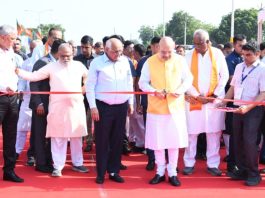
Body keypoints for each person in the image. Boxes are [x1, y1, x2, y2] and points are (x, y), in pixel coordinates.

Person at [16, 43, 89, 177]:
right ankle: (58, 166)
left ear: (72, 54)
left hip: (76, 107)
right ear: (58, 54)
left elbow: (88, 77)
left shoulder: (79, 65)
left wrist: (84, 87)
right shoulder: (51, 66)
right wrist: (18, 71)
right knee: (58, 137)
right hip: (57, 108)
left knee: (76, 137)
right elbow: (34, 77)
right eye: (63, 56)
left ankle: (78, 164)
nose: (66, 58)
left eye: (68, 56)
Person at [139, 36, 192, 186]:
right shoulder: (149, 61)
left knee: (173, 142)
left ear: (174, 48)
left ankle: (173, 172)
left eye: (169, 51)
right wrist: (154, 91)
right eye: (163, 52)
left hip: (175, 107)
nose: (166, 55)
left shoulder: (180, 60)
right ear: (156, 48)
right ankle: (160, 172)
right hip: (156, 108)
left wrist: (180, 90)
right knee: (158, 143)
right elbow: (142, 83)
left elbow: (188, 79)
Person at [86, 38, 133, 184]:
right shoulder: (96, 63)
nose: (118, 54)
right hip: (103, 107)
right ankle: (100, 173)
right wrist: (93, 106)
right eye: (115, 51)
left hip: (121, 106)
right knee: (102, 140)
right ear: (106, 49)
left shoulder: (125, 61)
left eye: (120, 50)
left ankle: (114, 171)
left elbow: (129, 82)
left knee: (117, 140)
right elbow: (90, 86)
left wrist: (130, 102)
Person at [183, 29, 229, 177]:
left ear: (208, 42)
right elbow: (185, 78)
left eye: (200, 43)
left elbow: (224, 76)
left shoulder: (217, 54)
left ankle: (213, 164)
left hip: (214, 100)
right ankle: (189, 163)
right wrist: (196, 95)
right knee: (191, 133)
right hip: (194, 99)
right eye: (195, 43)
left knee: (214, 133)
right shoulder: (188, 55)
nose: (197, 46)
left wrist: (213, 95)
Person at [219, 43, 265, 186]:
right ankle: (243, 169)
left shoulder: (262, 69)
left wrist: (248, 107)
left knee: (249, 141)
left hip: (254, 110)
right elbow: (233, 87)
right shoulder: (239, 67)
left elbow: (263, 93)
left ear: (257, 54)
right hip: (237, 108)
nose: (245, 58)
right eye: (243, 55)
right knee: (237, 139)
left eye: (248, 55)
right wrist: (224, 102)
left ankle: (253, 173)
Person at [29, 39, 65, 173]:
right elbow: (33, 83)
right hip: (42, 105)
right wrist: (38, 102)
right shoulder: (42, 62)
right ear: (58, 51)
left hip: (54, 106)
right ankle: (41, 163)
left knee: (51, 134)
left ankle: (50, 160)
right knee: (40, 134)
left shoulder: (58, 64)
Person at [0, 24, 24, 182]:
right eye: (12, 38)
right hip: (0, 96)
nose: (15, 41)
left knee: (10, 136)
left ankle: (9, 170)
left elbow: (15, 75)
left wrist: (16, 88)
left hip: (12, 99)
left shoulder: (12, 54)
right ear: (2, 37)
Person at [136, 36, 161, 171]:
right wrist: (138, 102)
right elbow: (139, 84)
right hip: (149, 103)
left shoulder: (169, 61)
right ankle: (151, 159)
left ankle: (166, 161)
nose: (158, 49)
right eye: (156, 46)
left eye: (160, 46)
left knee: (165, 133)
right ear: (151, 46)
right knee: (150, 132)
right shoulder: (145, 62)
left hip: (165, 104)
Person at [225, 34, 247, 176]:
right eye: (240, 45)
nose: (242, 48)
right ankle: (232, 163)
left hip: (247, 103)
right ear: (234, 45)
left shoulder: (246, 58)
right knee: (233, 133)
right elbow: (232, 80)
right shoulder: (230, 60)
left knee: (247, 135)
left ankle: (242, 164)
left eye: (244, 45)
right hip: (233, 101)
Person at [73, 35, 94, 152]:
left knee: (90, 118)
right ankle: (78, 140)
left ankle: (89, 141)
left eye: (87, 47)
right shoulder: (76, 59)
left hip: (92, 94)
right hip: (78, 94)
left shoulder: (96, 60)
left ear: (92, 46)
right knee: (79, 118)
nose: (84, 50)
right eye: (82, 47)